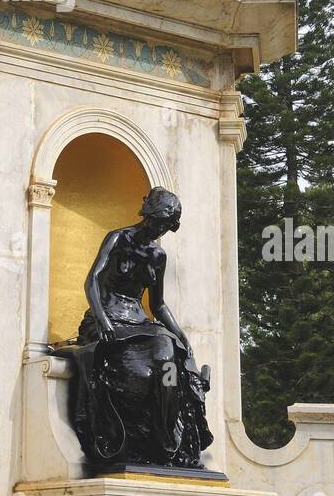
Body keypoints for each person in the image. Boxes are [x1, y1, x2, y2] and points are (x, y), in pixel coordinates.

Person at [54, 187, 214, 468]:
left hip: (139, 324)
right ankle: (143, 439)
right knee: (141, 370)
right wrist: (102, 319)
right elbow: (92, 280)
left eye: (167, 226)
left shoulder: (158, 256)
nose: (162, 230)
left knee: (169, 357)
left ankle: (166, 435)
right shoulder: (118, 239)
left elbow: (159, 305)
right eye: (160, 223)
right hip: (106, 322)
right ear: (149, 216)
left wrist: (180, 333)